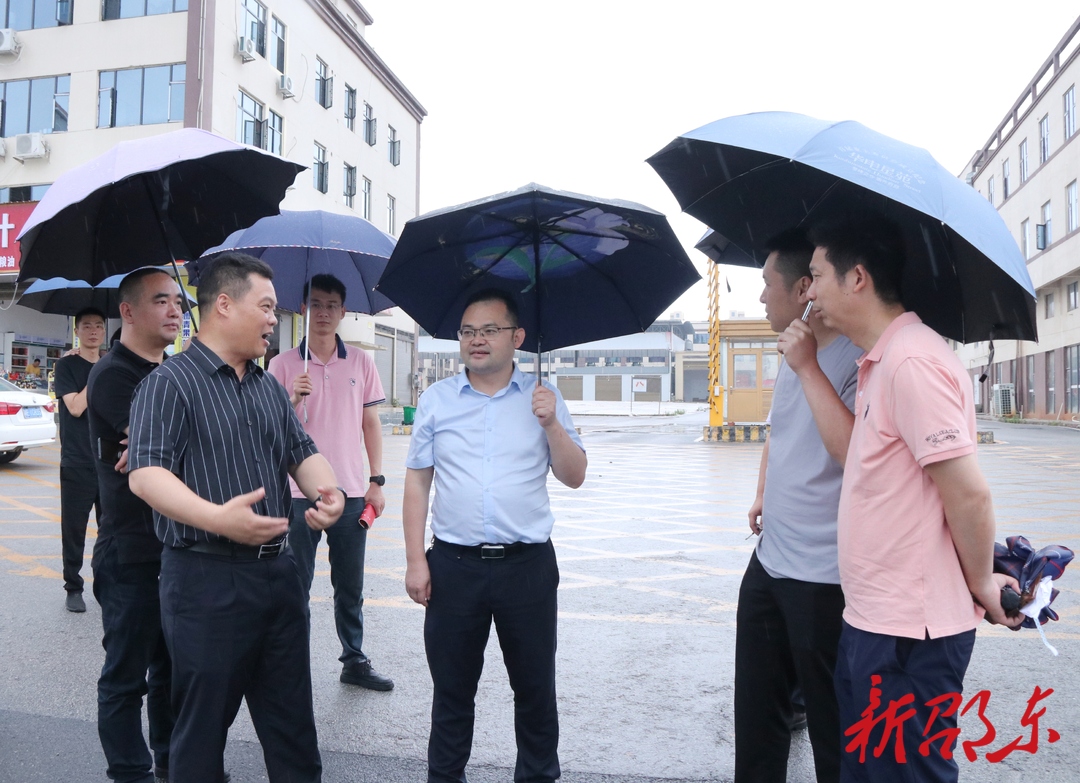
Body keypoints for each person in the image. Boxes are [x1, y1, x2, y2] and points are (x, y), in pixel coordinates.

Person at [805, 216, 1023, 782]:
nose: (809, 293)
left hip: (908, 636)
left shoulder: (911, 362)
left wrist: (981, 583)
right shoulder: (882, 360)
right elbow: (859, 459)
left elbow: (968, 494)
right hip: (876, 621)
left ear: (857, 278)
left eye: (816, 276)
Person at [127, 253, 345, 783]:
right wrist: (217, 519)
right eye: (266, 307)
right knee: (201, 734)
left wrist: (329, 491)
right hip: (206, 580)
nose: (274, 318)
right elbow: (145, 474)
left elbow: (301, 451)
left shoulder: (267, 385)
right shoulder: (169, 383)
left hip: (279, 575)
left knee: (293, 731)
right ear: (223, 304)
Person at [403, 289, 587, 783]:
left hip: (527, 568)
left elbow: (574, 476)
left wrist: (552, 425)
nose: (476, 340)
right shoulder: (437, 400)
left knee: (534, 690)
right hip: (453, 568)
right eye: (468, 331)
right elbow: (418, 482)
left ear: (518, 337)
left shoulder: (543, 398)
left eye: (489, 330)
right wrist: (416, 561)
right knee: (452, 692)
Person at [735, 228, 863, 783]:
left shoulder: (858, 358)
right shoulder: (794, 348)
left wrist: (808, 365)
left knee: (833, 727)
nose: (762, 295)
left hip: (824, 577)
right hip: (770, 562)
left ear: (805, 287)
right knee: (757, 717)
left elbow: (854, 452)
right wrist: (764, 490)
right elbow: (779, 429)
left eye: (768, 283)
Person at [267, 273, 393, 691]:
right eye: (316, 305)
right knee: (294, 583)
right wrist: (291, 399)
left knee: (350, 586)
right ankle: (290, 662)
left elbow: (370, 423)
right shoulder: (282, 365)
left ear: (343, 312)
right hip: (297, 493)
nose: (323, 313)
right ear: (303, 310)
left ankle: (354, 659)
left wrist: (376, 480)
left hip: (350, 491)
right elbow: (268, 430)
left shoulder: (360, 362)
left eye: (331, 305)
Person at [86, 269, 183, 783]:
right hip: (130, 552)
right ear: (127, 311)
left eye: (178, 302)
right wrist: (160, 446)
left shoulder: (175, 371)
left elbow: (168, 445)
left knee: (173, 669)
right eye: (161, 301)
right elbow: (163, 446)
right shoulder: (112, 374)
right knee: (127, 675)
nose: (175, 311)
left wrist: (159, 446)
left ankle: (171, 760)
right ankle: (130, 771)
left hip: (177, 546)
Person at [54, 307, 107, 613]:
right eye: (86, 326)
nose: (93, 330)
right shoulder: (66, 365)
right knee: (74, 530)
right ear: (76, 331)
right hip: (77, 461)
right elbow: (75, 407)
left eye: (98, 325)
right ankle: (73, 587)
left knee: (110, 530)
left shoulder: (112, 364)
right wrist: (97, 373)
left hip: (109, 460)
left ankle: (106, 583)